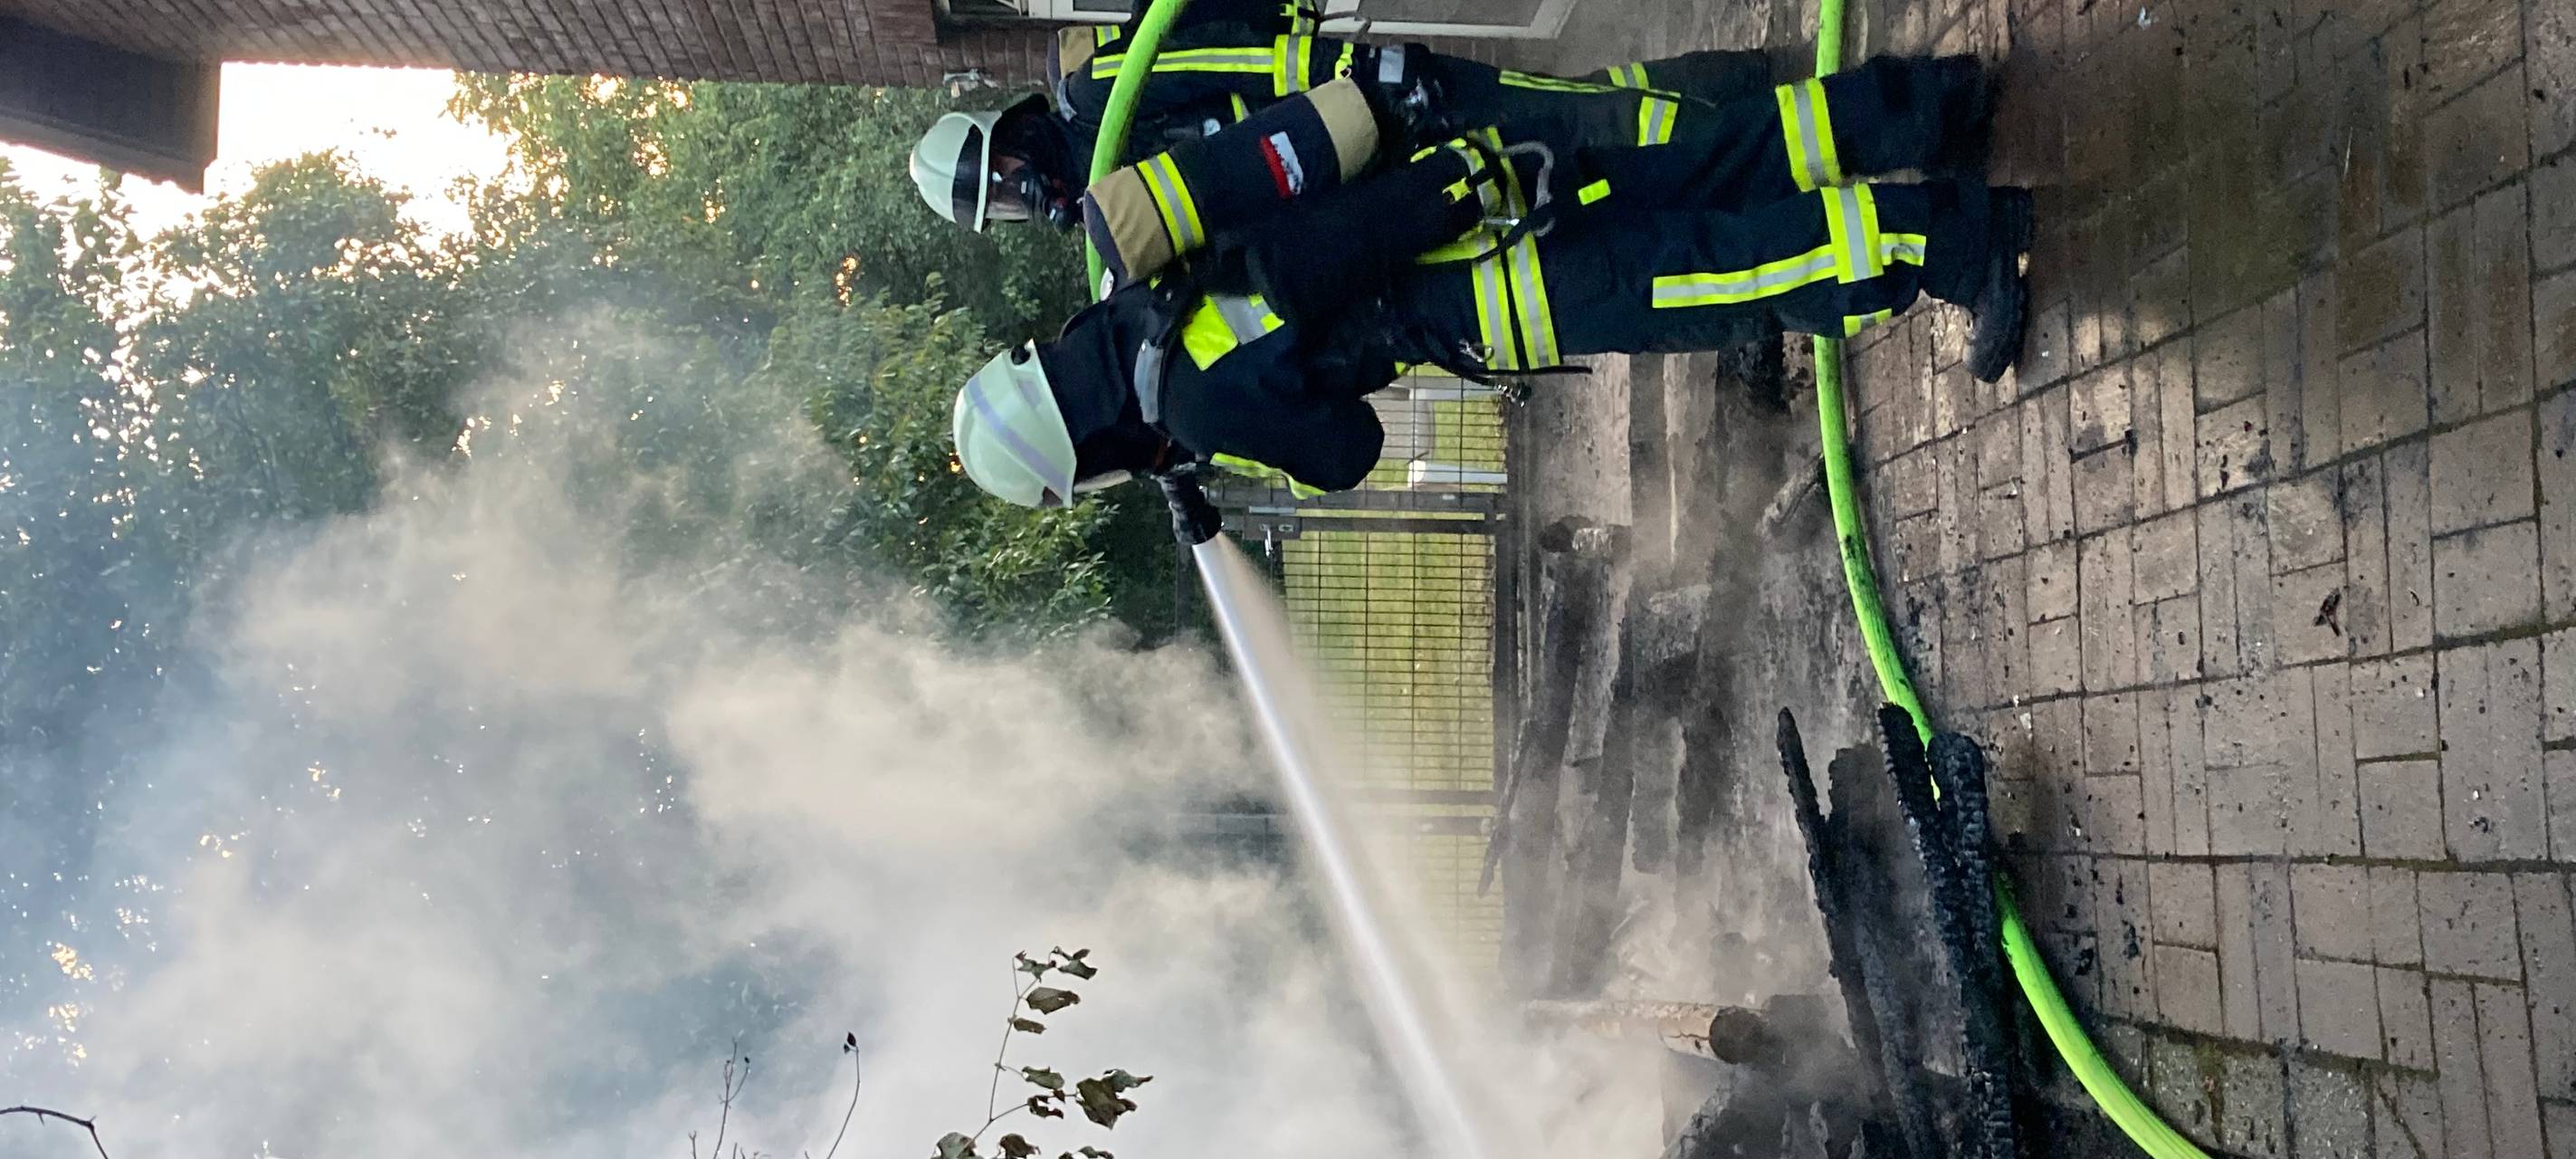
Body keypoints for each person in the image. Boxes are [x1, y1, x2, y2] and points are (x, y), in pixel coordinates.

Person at [907, 0, 1792, 234]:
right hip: (1369, 170)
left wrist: (1354, 72)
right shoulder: (1113, 203)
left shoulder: (1102, 97)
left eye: (1011, 184)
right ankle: (1750, 112)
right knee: (1566, 159)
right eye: (1010, 211)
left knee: (1573, 117)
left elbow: (1231, 61)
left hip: (1374, 99)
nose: (1030, 199)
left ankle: (1772, 108)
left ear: (1014, 137)